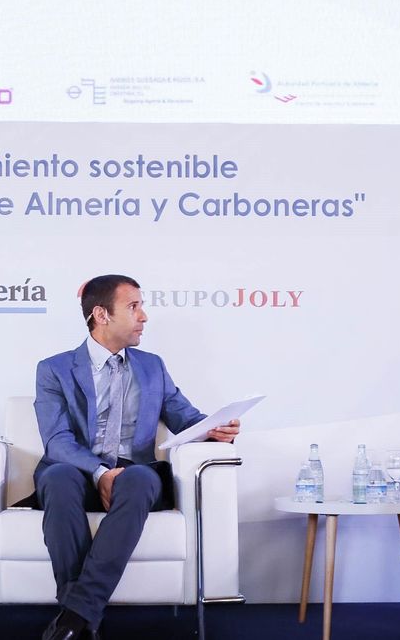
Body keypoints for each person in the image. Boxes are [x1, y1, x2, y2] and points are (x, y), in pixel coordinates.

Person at [33, 274, 240, 640]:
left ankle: (73, 618)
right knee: (57, 476)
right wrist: (99, 473)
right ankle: (80, 618)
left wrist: (215, 428)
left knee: (143, 477)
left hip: (133, 477)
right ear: (101, 314)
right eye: (134, 306)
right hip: (77, 472)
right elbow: (57, 441)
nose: (144, 316)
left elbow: (185, 418)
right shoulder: (54, 369)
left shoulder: (152, 366)